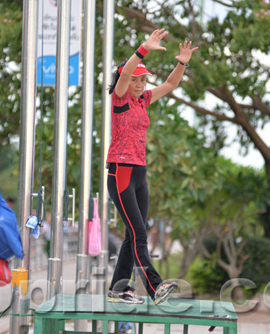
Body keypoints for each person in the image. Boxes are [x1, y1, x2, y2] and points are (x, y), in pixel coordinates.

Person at [106, 29, 198, 305]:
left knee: (132, 233)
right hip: (120, 170)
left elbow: (170, 85)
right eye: (136, 79)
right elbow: (123, 76)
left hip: (139, 173)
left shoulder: (143, 100)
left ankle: (119, 289)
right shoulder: (119, 99)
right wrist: (144, 48)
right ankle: (155, 286)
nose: (140, 83)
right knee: (139, 233)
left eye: (143, 79)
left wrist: (182, 63)